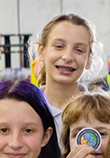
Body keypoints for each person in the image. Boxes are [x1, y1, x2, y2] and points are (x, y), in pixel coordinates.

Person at [35, 14, 99, 142]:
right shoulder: (27, 110)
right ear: (41, 51)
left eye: (79, 50)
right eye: (59, 46)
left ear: (89, 59)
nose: (68, 57)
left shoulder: (100, 114)